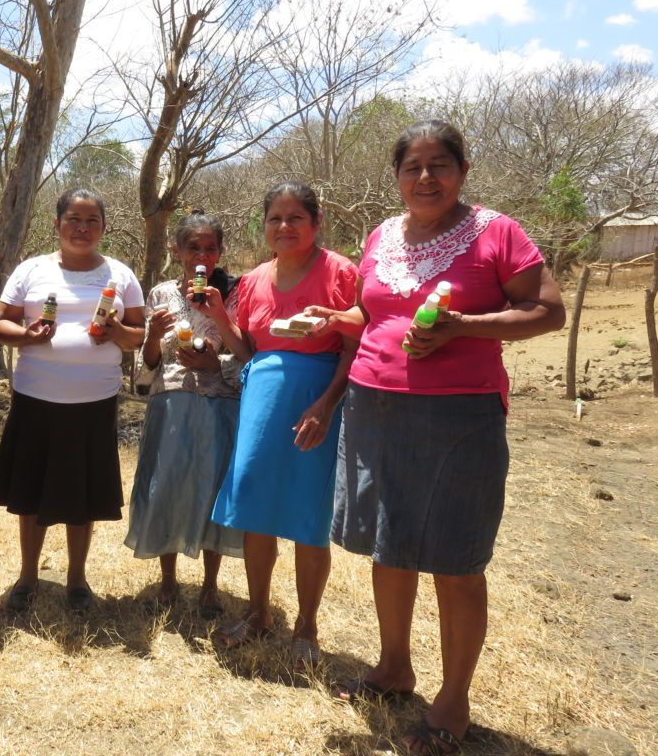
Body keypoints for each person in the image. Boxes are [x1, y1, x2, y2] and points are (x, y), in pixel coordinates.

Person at [313, 120, 565, 755]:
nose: (426, 177)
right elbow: (377, 314)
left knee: (455, 560)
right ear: (397, 176)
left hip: (460, 417)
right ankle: (393, 668)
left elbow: (547, 311)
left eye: (439, 164)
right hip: (374, 409)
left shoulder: (497, 233)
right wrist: (336, 318)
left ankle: (453, 702)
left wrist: (462, 329)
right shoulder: (380, 236)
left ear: (462, 170)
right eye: (412, 167)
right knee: (389, 547)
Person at [203, 182, 358, 670]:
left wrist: (327, 403)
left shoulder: (340, 272)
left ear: (315, 224)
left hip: (316, 400)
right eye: (275, 218)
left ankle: (307, 627)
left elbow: (356, 345)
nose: (284, 227)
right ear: (264, 225)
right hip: (261, 399)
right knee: (256, 505)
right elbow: (248, 351)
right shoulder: (252, 280)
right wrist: (219, 320)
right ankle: (257, 613)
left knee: (308, 516)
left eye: (296, 218)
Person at [0, 188, 145, 612]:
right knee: (31, 491)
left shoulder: (120, 275)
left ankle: (77, 579)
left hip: (94, 402)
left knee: (84, 494)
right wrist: (27, 335)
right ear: (57, 223)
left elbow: (138, 336)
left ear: (103, 228)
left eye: (92, 220)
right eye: (74, 219)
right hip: (36, 396)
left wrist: (116, 332)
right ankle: (28, 575)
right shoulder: (31, 270)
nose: (82, 227)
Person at [124, 210, 244, 617]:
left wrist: (215, 361)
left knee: (212, 490)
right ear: (177, 251)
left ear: (220, 252)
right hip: (171, 403)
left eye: (211, 248)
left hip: (219, 406)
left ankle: (210, 586)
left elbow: (245, 357)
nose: (202, 256)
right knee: (167, 485)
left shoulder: (234, 292)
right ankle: (168, 580)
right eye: (194, 247)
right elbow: (148, 365)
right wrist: (154, 336)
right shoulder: (159, 294)